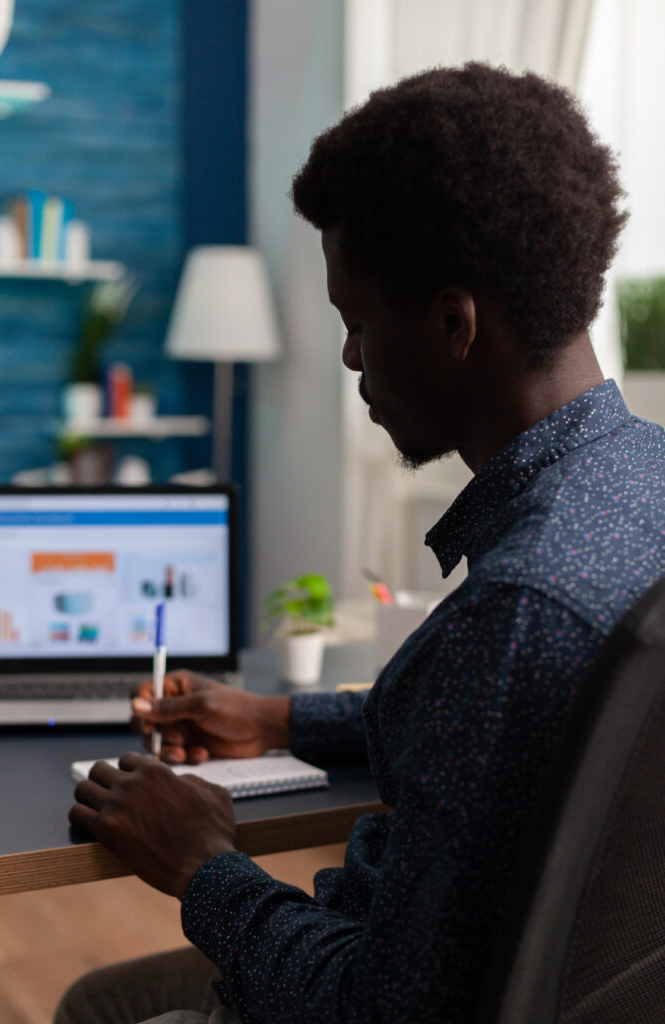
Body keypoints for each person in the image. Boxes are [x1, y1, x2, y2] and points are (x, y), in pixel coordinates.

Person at [56, 62, 665, 1024]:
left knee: (100, 1009)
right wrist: (279, 719)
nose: (347, 356)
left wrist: (203, 862)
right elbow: (505, 728)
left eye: (354, 321)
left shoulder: (515, 608)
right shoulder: (644, 482)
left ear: (454, 324)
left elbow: (377, 1008)